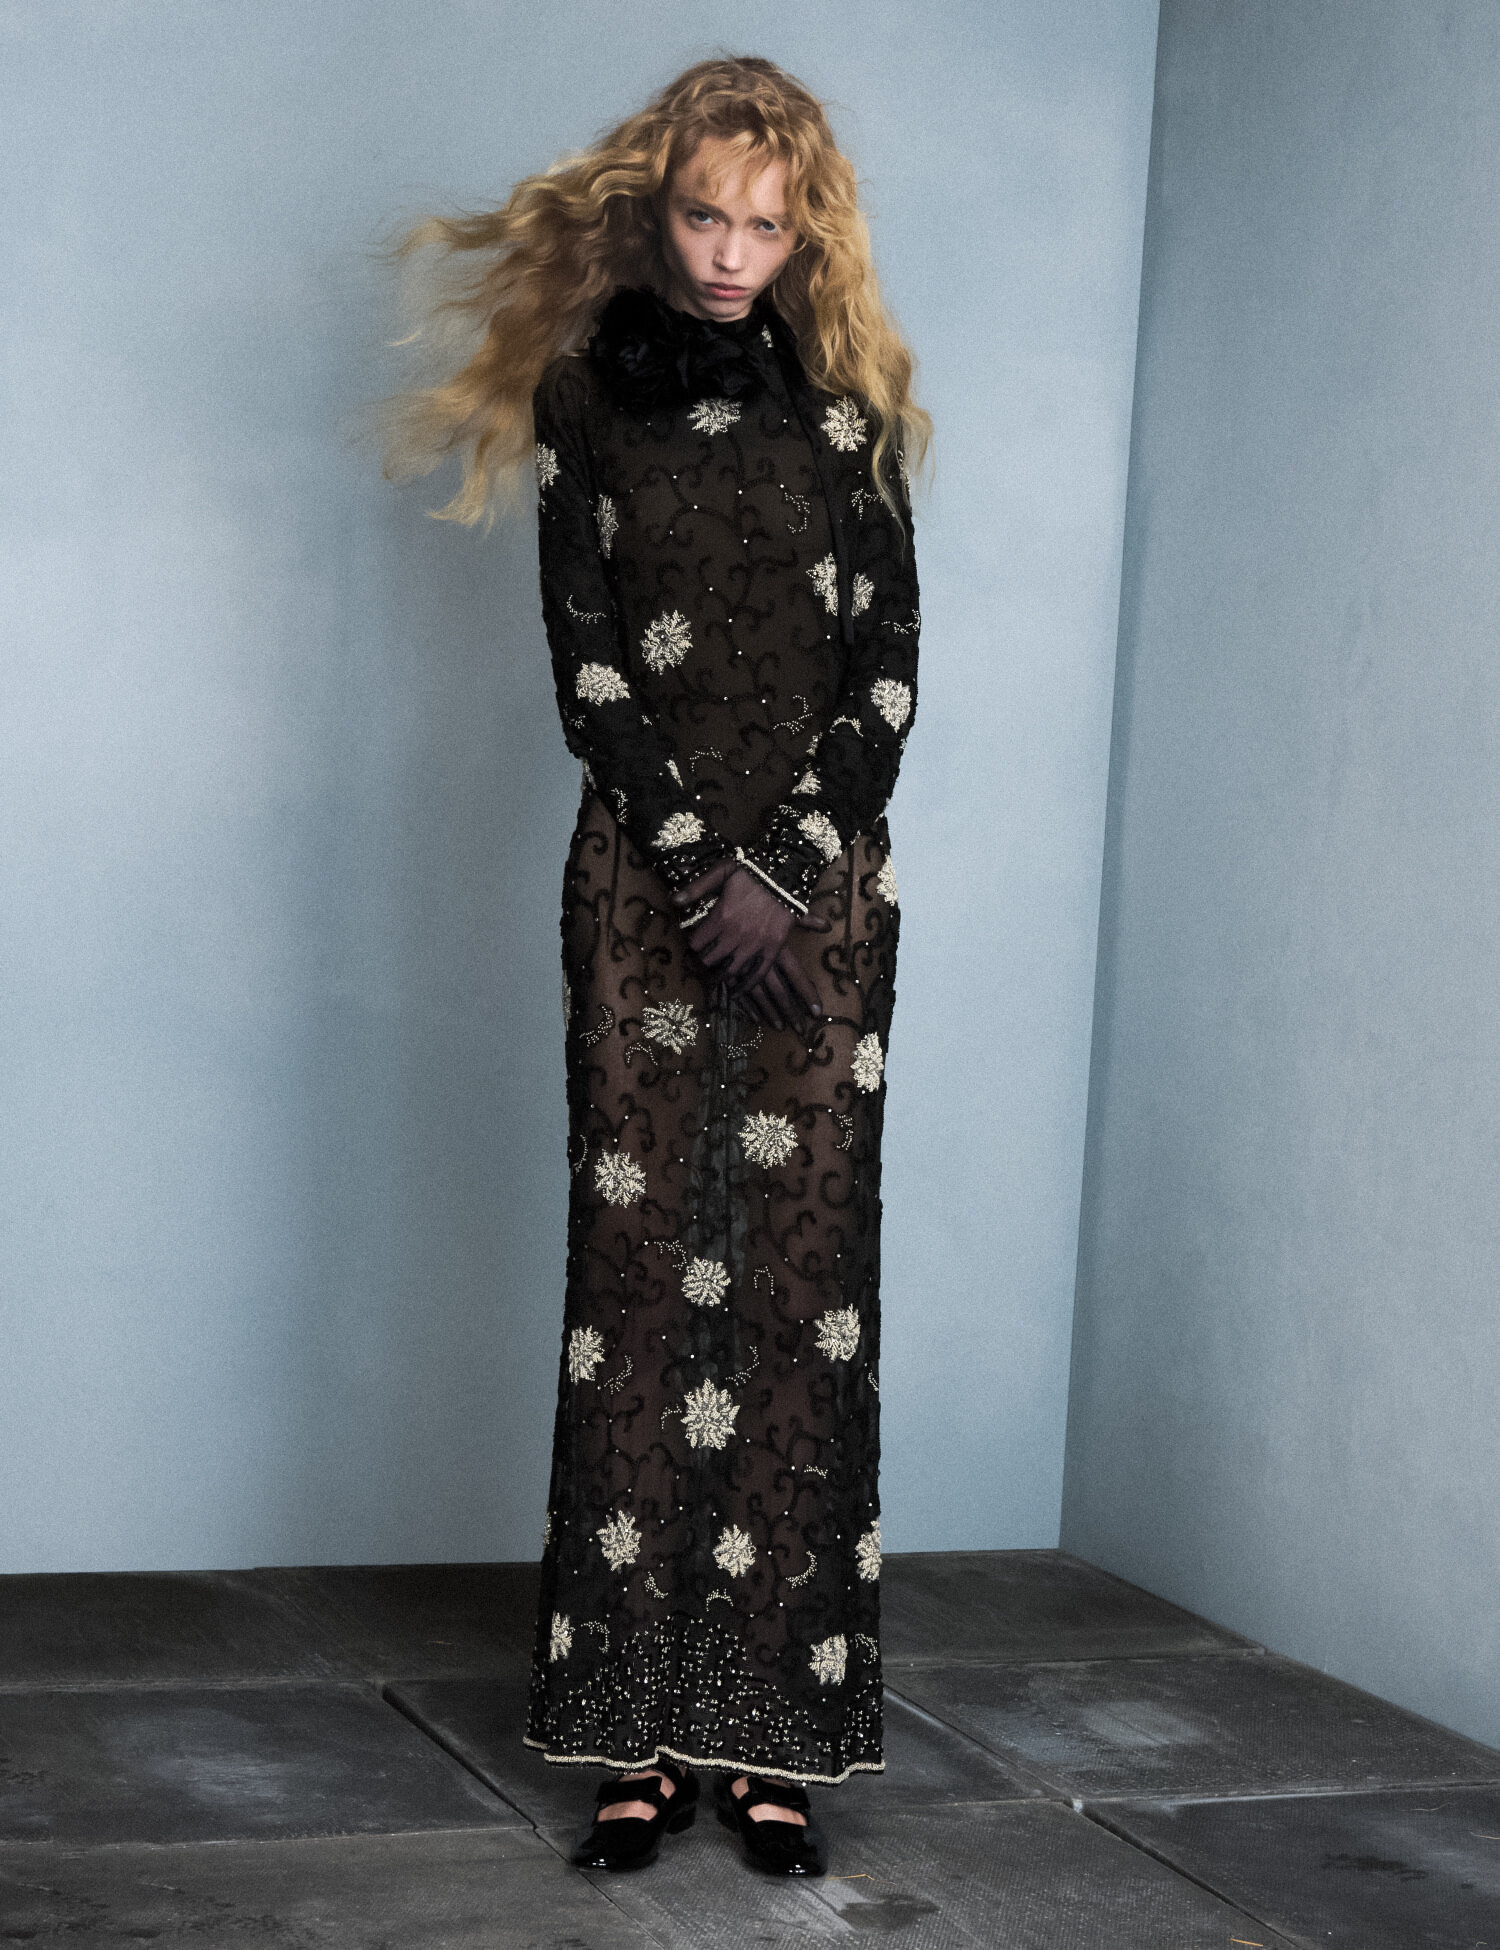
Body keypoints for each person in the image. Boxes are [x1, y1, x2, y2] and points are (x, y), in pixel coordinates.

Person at [385, 53, 927, 1879]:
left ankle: (767, 1739)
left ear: (805, 232)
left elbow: (888, 670)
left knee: (799, 1295)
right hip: (642, 894)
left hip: (822, 907)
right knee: (633, 1290)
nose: (728, 253)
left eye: (765, 224)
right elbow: (589, 655)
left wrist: (785, 874)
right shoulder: (583, 394)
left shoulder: (847, 411)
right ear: (657, 202)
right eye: (705, 213)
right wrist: (701, 873)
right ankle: (634, 1733)